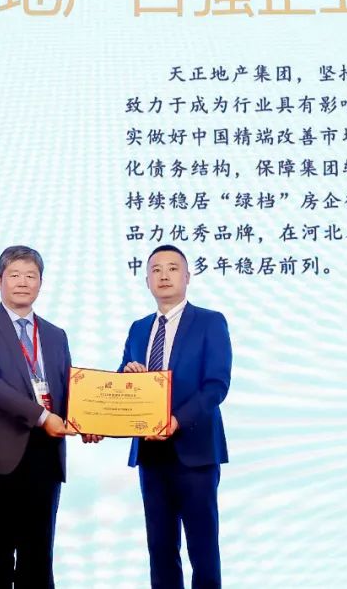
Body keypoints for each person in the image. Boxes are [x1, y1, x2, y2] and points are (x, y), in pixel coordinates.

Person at [0, 245, 77, 588]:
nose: (23, 282)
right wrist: (42, 416)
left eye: (31, 276)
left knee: (38, 560)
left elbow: (68, 387)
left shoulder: (55, 334)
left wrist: (87, 422)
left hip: (44, 456)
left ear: (41, 283)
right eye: (14, 275)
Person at [118, 244, 232, 589]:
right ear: (147, 280)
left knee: (203, 548)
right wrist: (127, 376)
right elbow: (120, 382)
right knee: (160, 549)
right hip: (151, 454)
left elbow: (216, 386)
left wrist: (177, 420)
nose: (164, 275)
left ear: (187, 276)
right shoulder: (139, 328)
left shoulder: (210, 322)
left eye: (172, 268)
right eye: (156, 270)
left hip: (195, 452)